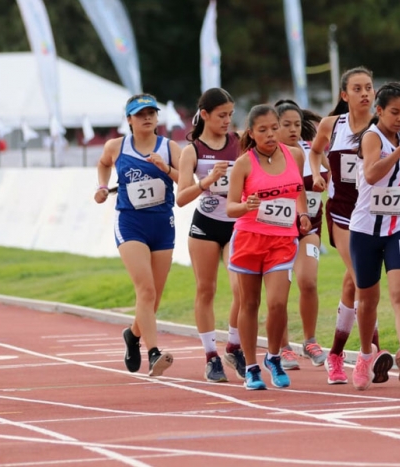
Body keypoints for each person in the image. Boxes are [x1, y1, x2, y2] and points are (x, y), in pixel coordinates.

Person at [94, 94, 180, 377]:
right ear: (129, 119)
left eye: (151, 113)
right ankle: (153, 352)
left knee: (153, 299)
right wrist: (103, 186)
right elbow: (103, 163)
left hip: (162, 224)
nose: (147, 118)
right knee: (145, 290)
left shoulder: (170, 147)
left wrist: (164, 168)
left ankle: (132, 335)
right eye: (140, 113)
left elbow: (186, 181)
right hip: (130, 223)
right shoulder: (116, 146)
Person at [226, 104, 311, 390]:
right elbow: (230, 208)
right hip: (250, 238)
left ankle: (273, 357)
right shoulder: (244, 163)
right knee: (250, 303)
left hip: (282, 240)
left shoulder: (294, 155)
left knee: (277, 303)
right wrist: (245, 204)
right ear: (251, 133)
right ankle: (251, 367)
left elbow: (298, 189)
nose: (271, 135)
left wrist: (302, 213)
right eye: (263, 130)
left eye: (275, 128)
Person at [308, 67, 381, 385]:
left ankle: (336, 355)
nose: (365, 93)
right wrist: (316, 173)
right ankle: (373, 349)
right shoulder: (331, 125)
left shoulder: (383, 126)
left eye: (369, 87)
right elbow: (314, 151)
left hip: (374, 212)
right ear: (344, 95)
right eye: (358, 88)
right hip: (341, 213)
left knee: (354, 285)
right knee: (361, 279)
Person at [349, 82, 400, 390]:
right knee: (367, 300)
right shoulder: (371, 136)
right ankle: (366, 354)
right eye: (395, 112)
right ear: (379, 111)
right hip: (366, 228)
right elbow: (371, 174)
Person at [175, 87, 245, 382]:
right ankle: (210, 356)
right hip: (204, 225)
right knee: (207, 290)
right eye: (221, 115)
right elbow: (181, 197)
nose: (227, 120)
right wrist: (208, 180)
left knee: (241, 289)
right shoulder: (192, 150)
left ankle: (234, 345)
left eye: (230, 114)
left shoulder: (240, 143)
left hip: (235, 224)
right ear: (204, 115)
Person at [274, 99, 328, 370]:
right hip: (279, 231)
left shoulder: (312, 150)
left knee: (308, 281)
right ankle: (283, 347)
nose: (294, 129)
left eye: (297, 124)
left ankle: (309, 341)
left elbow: (333, 176)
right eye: (286, 125)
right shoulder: (270, 157)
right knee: (280, 291)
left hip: (310, 228)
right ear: (275, 127)